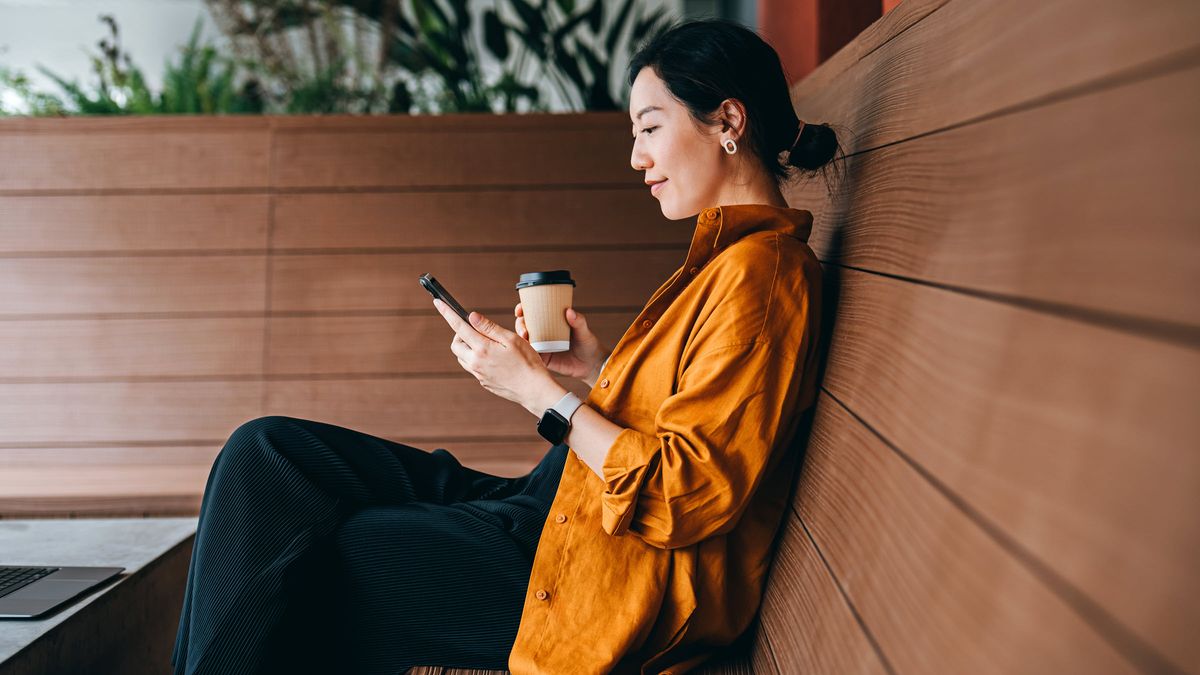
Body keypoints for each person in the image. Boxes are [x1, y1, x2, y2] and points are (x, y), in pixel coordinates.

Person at [171, 17, 838, 675]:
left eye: (650, 128)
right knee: (265, 452)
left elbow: (688, 493)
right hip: (553, 509)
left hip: (600, 575)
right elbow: (694, 414)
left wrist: (539, 394)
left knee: (326, 551)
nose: (637, 157)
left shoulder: (763, 274)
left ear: (727, 121)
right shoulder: (726, 262)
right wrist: (596, 373)